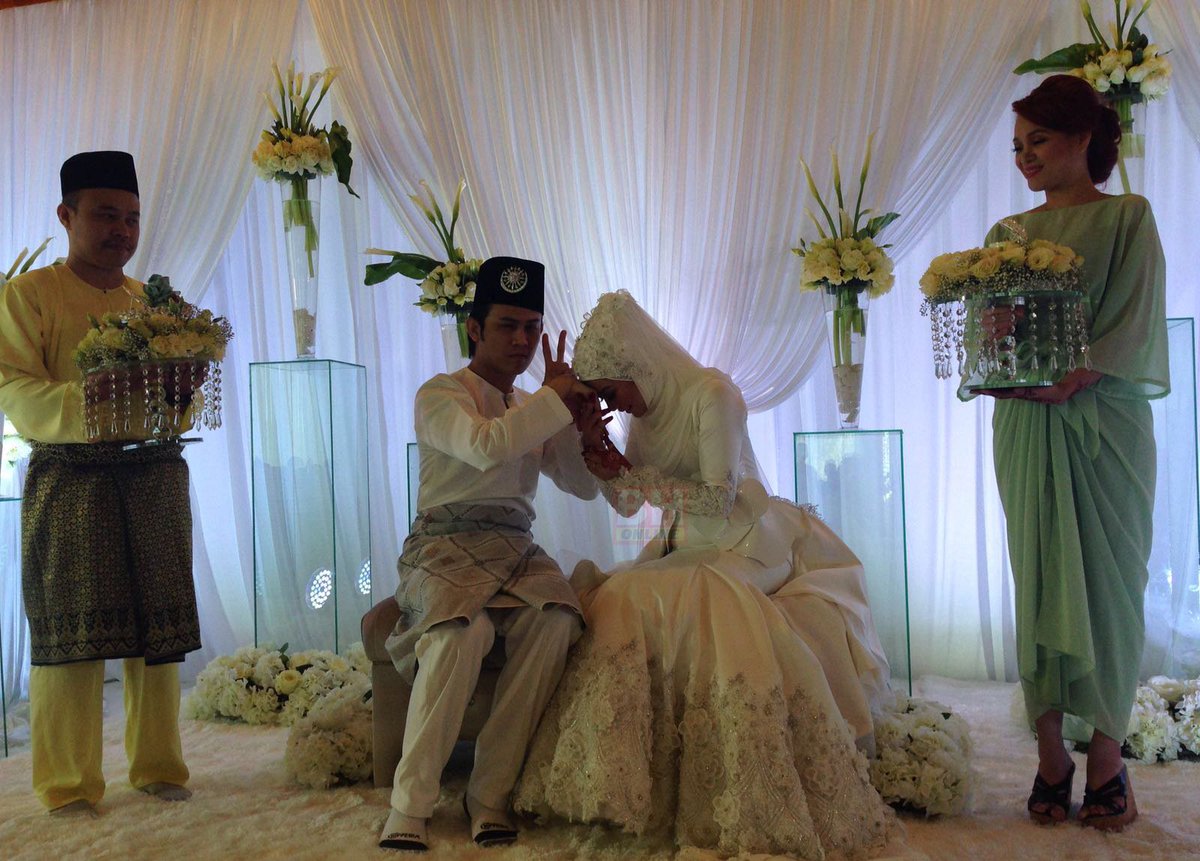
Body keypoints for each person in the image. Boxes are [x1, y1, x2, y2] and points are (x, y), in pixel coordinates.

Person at [513, 291, 894, 858]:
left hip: (750, 541)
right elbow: (627, 504)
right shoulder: (645, 412)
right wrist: (597, 449)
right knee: (619, 593)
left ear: (639, 365)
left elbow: (718, 498)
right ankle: (620, 775)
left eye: (613, 391)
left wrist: (631, 475)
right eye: (605, 397)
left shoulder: (714, 394)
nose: (616, 404)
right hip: (686, 545)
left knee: (680, 592)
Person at [978, 75, 1169, 831]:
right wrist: (991, 330)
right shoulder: (1006, 233)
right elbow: (988, 336)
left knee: (1113, 583)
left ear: (1083, 138)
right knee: (1039, 575)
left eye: (1039, 140)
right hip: (1029, 424)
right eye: (1017, 146)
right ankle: (1051, 754)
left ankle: (1108, 758)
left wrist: (1078, 375)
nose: (1025, 157)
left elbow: (1136, 319)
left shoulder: (1128, 216)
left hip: (1107, 424)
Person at [379, 256, 605, 852]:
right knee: (462, 633)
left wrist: (580, 431)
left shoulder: (533, 404)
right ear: (474, 329)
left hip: (514, 546)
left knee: (556, 621)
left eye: (532, 327)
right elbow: (485, 447)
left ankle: (489, 795)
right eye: (507, 325)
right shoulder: (440, 393)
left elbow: (582, 487)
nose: (522, 341)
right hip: (443, 544)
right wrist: (553, 400)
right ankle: (410, 805)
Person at [0, 151, 202, 814]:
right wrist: (88, 399)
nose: (123, 230)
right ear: (67, 215)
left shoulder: (152, 304)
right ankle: (68, 783)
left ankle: (158, 764)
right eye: (107, 215)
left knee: (159, 628)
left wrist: (184, 393)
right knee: (72, 630)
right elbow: (12, 386)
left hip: (153, 474)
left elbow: (179, 407)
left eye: (132, 218)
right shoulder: (28, 295)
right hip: (71, 477)